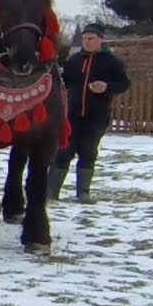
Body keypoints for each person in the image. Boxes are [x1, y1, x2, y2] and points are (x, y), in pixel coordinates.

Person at [49, 22, 130, 204]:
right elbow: (64, 82)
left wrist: (107, 87)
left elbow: (124, 83)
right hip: (72, 115)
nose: (87, 42)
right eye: (85, 38)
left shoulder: (111, 61)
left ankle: (83, 193)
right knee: (63, 152)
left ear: (100, 39)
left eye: (91, 38)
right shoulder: (74, 60)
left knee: (88, 151)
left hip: (97, 116)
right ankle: (51, 192)